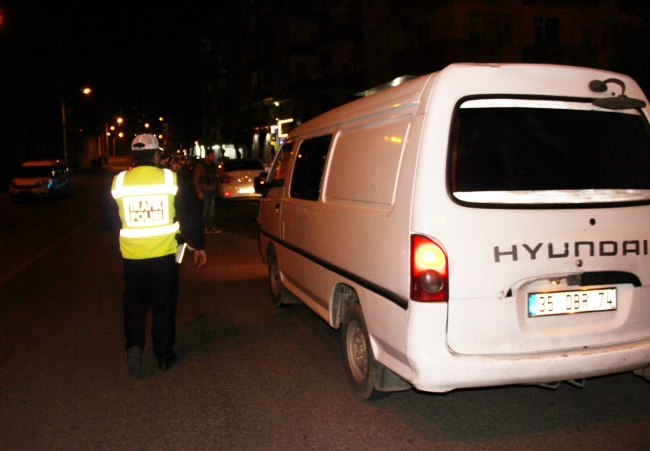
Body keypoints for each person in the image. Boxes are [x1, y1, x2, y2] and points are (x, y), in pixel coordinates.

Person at [101, 134, 207, 377]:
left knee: (134, 305)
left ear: (133, 156)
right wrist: (198, 245)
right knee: (163, 306)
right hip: (164, 257)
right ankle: (163, 356)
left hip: (132, 258)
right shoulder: (170, 179)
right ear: (157, 155)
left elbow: (107, 221)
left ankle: (135, 347)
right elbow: (189, 217)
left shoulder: (118, 182)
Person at [193, 148, 220, 233]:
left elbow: (216, 175)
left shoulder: (213, 165)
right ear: (207, 156)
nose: (213, 157)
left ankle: (210, 226)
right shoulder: (200, 166)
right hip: (204, 190)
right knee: (204, 211)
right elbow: (195, 179)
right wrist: (199, 192)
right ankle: (204, 227)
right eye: (211, 155)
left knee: (211, 211)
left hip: (212, 190)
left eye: (213, 155)